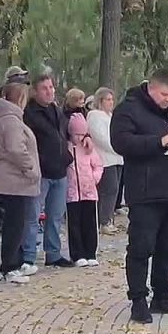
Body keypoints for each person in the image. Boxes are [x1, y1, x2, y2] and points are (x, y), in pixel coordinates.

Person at [112, 70, 168, 323]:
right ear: (151, 88)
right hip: (145, 192)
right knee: (141, 247)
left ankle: (162, 296)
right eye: (164, 94)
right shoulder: (129, 109)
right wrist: (157, 142)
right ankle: (138, 299)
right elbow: (121, 143)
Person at [0, 83, 41, 283]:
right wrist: (30, 168)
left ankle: (15, 262)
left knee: (17, 222)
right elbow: (16, 149)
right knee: (14, 223)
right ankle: (9, 266)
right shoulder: (10, 121)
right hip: (14, 178)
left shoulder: (7, 118)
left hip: (13, 177)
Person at [23, 73, 75, 268]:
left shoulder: (56, 110)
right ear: (35, 92)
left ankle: (53, 253)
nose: (49, 91)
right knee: (33, 216)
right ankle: (28, 255)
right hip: (41, 171)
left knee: (55, 215)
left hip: (60, 169)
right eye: (45, 88)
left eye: (51, 87)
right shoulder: (29, 113)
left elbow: (63, 134)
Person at [66, 113, 105, 267]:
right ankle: (77, 254)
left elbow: (98, 165)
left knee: (90, 223)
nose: (80, 137)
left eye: (82, 134)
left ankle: (91, 252)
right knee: (74, 224)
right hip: (72, 193)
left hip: (89, 191)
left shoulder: (89, 148)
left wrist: (94, 179)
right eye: (77, 134)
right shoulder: (67, 147)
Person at [88, 87, 124, 235]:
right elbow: (100, 137)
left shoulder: (111, 115)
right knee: (108, 189)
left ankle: (108, 218)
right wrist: (117, 147)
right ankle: (103, 221)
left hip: (117, 157)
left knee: (114, 190)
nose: (111, 102)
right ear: (100, 101)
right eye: (107, 99)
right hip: (105, 157)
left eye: (112, 99)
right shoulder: (94, 115)